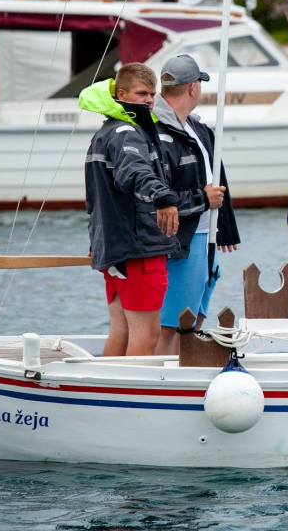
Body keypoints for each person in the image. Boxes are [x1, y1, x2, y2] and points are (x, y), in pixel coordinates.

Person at [79, 63, 180, 356]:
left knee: (121, 332)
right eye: (141, 93)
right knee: (147, 334)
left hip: (114, 248)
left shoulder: (106, 132)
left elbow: (97, 197)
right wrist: (163, 197)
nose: (149, 100)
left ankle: (102, 394)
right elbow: (134, 173)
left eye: (152, 94)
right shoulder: (127, 132)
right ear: (121, 94)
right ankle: (129, 399)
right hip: (139, 250)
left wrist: (97, 241)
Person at [151, 55, 241, 356]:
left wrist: (225, 229)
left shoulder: (198, 127)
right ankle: (164, 383)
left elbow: (218, 180)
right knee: (175, 324)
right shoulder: (157, 131)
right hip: (183, 240)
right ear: (192, 88)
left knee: (195, 319)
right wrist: (204, 200)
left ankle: (184, 369)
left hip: (206, 235)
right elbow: (160, 193)